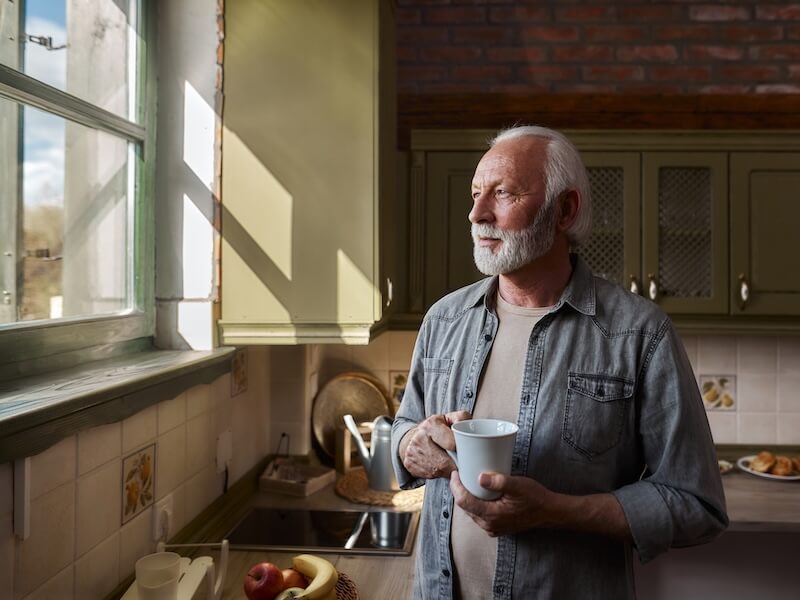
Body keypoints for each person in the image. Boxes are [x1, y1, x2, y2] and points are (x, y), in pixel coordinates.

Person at [390, 125, 728, 600]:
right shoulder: (444, 318)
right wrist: (411, 443)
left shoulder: (640, 334)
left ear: (564, 210)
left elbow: (697, 505)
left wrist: (554, 510)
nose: (476, 213)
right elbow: (405, 425)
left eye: (503, 193)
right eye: (474, 193)